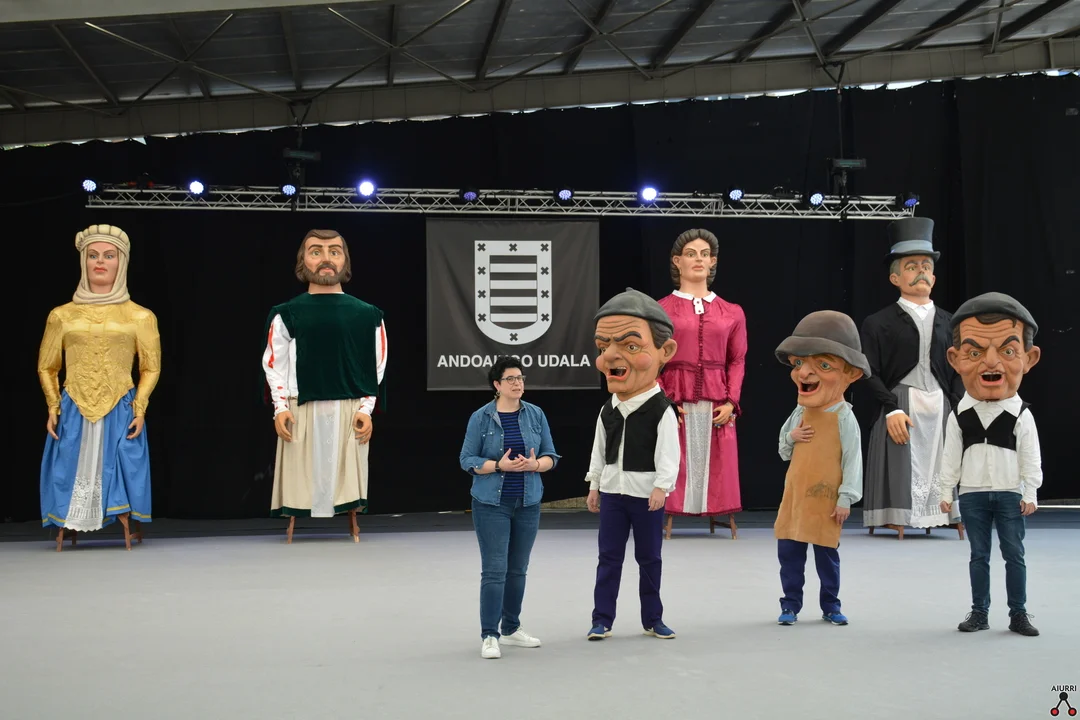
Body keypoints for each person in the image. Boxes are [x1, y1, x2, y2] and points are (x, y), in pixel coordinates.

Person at [38, 224, 161, 551]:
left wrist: (140, 407)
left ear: (122, 262)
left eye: (109, 256)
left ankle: (119, 515)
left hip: (119, 405)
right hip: (75, 406)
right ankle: (73, 517)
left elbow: (150, 366)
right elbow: (47, 365)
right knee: (69, 462)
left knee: (119, 462)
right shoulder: (61, 315)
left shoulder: (140, 317)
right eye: (93, 256)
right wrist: (53, 405)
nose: (100, 262)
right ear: (83, 262)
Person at [262, 229, 388, 543]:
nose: (326, 259)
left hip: (349, 407)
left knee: (345, 472)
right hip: (300, 405)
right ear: (303, 261)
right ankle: (296, 517)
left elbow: (376, 365)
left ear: (345, 261)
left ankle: (349, 516)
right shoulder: (287, 313)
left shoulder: (367, 315)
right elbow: (275, 364)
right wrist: (280, 408)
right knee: (301, 472)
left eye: (334, 251)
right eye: (316, 251)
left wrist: (366, 409)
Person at [939, 292, 1042, 636]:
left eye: (1008, 351)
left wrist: (1030, 491)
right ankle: (979, 612)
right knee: (978, 556)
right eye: (974, 353)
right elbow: (950, 456)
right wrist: (946, 491)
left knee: (1014, 555)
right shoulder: (959, 415)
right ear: (955, 359)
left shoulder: (1021, 415)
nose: (991, 363)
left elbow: (1031, 456)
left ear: (1029, 358)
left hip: (1011, 494)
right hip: (973, 495)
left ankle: (1018, 613)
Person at [859, 217, 965, 538]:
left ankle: (943, 512)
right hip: (902, 402)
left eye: (926, 266)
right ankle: (898, 513)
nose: (921, 272)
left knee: (941, 461)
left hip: (940, 405)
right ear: (895, 277)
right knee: (902, 460)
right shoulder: (879, 323)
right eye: (911, 266)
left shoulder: (951, 322)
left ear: (933, 276)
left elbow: (959, 369)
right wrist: (891, 407)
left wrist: (956, 408)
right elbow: (869, 371)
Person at [585, 288, 679, 641]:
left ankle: (653, 619)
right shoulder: (607, 409)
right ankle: (602, 619)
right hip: (613, 493)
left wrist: (661, 487)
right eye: (602, 347)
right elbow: (599, 449)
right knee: (608, 558)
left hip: (645, 495)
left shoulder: (661, 409)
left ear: (664, 352)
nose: (609, 357)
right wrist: (595, 484)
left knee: (649, 559)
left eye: (630, 345)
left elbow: (669, 452)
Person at [458, 356, 560, 659]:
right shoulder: (480, 418)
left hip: (528, 503)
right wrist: (498, 465)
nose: (518, 383)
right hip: (491, 504)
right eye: (511, 379)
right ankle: (490, 635)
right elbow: (466, 460)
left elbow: (551, 456)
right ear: (497, 385)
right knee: (495, 570)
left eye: (521, 378)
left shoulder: (536, 414)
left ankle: (511, 628)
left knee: (518, 569)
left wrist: (535, 465)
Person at [773, 311, 868, 626]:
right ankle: (790, 605)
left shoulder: (844, 418)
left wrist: (846, 498)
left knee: (827, 556)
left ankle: (831, 605)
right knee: (790, 555)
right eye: (798, 363)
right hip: (796, 498)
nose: (804, 373)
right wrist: (792, 436)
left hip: (826, 500)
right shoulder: (800, 411)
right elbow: (783, 450)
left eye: (823, 365)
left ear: (850, 374)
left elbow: (853, 459)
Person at [657, 229, 746, 539]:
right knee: (673, 454)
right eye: (691, 254)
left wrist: (731, 401)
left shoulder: (732, 312)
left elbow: (737, 360)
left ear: (713, 262)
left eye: (704, 254)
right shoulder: (661, 310)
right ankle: (671, 508)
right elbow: (653, 358)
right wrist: (663, 400)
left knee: (718, 460)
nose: (698, 259)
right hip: (674, 397)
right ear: (677, 261)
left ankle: (717, 507)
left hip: (717, 397)